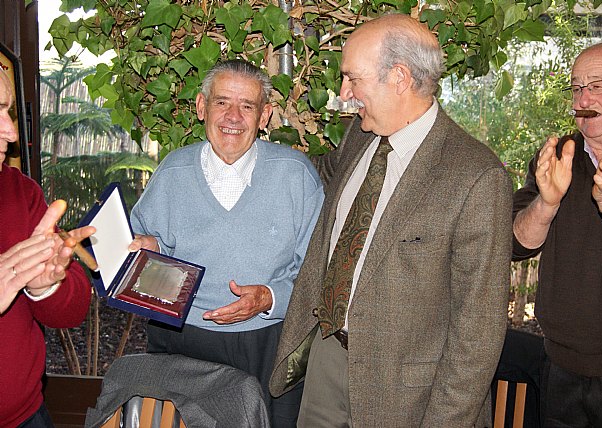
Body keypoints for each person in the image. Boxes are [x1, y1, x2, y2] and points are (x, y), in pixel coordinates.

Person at [269, 14, 513, 427]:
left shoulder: (476, 177)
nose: (344, 93)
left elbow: (477, 335)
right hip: (327, 358)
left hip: (409, 392)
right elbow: (314, 175)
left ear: (399, 77)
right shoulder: (359, 137)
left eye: (353, 79)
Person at [129, 59, 324, 427]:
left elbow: (317, 271)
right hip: (182, 344)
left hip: (269, 344)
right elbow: (141, 261)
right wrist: (149, 251)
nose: (233, 116)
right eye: (222, 102)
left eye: (247, 106)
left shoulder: (296, 176)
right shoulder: (172, 172)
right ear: (202, 107)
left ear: (264, 116)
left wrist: (268, 297)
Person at [512, 41, 602, 427]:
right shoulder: (559, 154)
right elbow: (515, 244)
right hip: (558, 365)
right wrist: (547, 204)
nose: (584, 98)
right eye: (577, 87)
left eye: (599, 85)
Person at [0, 69, 95, 427]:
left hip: (28, 415)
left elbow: (73, 311)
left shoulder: (21, 192)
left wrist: (46, 286)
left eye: (8, 111)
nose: (11, 132)